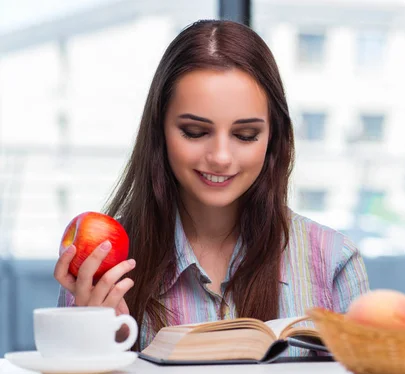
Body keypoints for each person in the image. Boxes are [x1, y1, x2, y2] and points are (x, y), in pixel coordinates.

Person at [54, 19, 369, 354]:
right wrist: (94, 346)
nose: (220, 157)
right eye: (194, 132)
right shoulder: (100, 267)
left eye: (245, 135)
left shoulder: (334, 260)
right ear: (160, 132)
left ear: (273, 139)